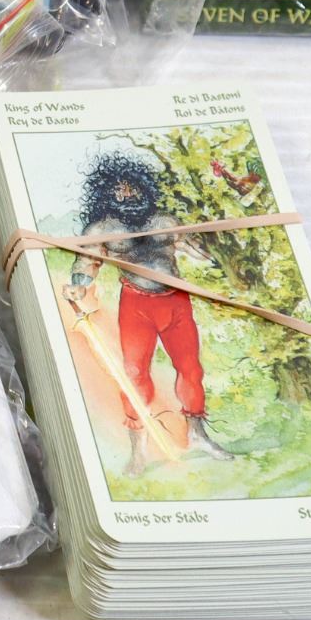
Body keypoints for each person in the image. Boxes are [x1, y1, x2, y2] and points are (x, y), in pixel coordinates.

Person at [63, 153, 233, 476]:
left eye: (132, 187)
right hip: (136, 307)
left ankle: (198, 435)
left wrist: (217, 254)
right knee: (134, 374)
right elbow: (86, 263)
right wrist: (78, 287)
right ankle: (138, 453)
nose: (127, 194)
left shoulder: (165, 221)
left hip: (176, 303)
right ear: (106, 194)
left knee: (191, 369)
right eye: (119, 189)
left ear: (144, 187)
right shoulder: (102, 228)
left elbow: (198, 250)